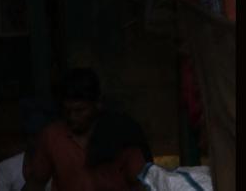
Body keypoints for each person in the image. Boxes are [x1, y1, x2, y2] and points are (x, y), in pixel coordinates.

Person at [22, 69, 152, 191]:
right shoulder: (52, 136)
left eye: (80, 111)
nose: (72, 117)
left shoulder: (121, 134)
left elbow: (141, 184)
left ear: (97, 104)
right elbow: (36, 183)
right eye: (67, 111)